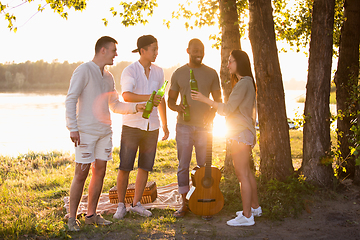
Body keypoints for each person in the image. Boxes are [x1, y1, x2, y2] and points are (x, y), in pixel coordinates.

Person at [65, 36, 145, 231]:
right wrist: (72, 128)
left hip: (104, 132)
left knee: (99, 171)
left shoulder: (109, 76)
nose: (116, 54)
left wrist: (136, 107)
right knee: (81, 173)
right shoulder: (83, 70)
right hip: (85, 132)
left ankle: (91, 214)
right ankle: (72, 218)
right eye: (113, 50)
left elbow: (115, 104)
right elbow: (70, 99)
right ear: (102, 50)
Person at [191, 50, 261, 226]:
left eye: (231, 61)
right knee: (247, 172)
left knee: (242, 174)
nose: (228, 65)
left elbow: (227, 109)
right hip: (244, 132)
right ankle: (254, 208)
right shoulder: (246, 82)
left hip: (240, 133)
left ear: (240, 63)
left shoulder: (244, 83)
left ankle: (247, 217)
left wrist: (204, 99)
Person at [113, 35, 169, 220]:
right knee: (125, 167)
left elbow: (161, 99)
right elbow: (127, 96)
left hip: (152, 127)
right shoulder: (130, 71)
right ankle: (121, 206)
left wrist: (165, 125)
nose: (157, 52)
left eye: (157, 48)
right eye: (154, 49)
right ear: (142, 50)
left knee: (145, 166)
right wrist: (149, 97)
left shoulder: (159, 72)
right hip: (132, 126)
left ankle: (136, 204)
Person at [168, 38, 222, 218]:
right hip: (184, 126)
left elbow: (218, 102)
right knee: (183, 166)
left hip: (205, 128)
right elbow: (170, 101)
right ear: (188, 50)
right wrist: (178, 108)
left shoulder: (212, 73)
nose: (199, 54)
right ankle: (183, 204)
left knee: (204, 167)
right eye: (195, 51)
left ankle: (204, 202)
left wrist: (212, 114)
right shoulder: (179, 73)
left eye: (202, 51)